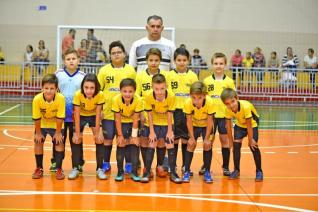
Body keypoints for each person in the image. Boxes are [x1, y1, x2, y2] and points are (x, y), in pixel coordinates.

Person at [97, 41, 136, 174]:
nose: (116, 55)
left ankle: (129, 164)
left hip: (127, 114)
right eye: (113, 53)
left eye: (119, 52)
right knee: (108, 140)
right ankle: (106, 163)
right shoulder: (103, 71)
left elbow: (134, 91)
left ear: (124, 54)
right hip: (108, 113)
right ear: (110, 56)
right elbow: (98, 91)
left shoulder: (130, 70)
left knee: (126, 140)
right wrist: (100, 109)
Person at [140, 74, 181, 184]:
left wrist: (169, 131)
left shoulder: (171, 96)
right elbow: (149, 115)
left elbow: (169, 115)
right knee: (152, 142)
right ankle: (147, 172)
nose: (159, 92)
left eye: (162, 88)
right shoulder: (148, 96)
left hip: (167, 122)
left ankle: (173, 172)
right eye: (156, 89)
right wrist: (152, 132)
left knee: (169, 143)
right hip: (153, 123)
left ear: (166, 86)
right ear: (152, 87)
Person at [135, 48, 169, 175]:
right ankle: (146, 168)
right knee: (144, 141)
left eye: (156, 60)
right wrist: (140, 114)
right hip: (145, 115)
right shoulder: (140, 76)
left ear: (160, 61)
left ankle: (160, 166)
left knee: (161, 141)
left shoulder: (166, 76)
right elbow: (137, 96)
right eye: (151, 60)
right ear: (146, 61)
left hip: (161, 115)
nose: (153, 63)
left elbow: (168, 95)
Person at [203, 52, 235, 176]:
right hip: (210, 117)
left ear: (225, 65)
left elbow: (233, 101)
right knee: (209, 141)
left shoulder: (229, 82)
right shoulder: (206, 81)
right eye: (216, 63)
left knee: (224, 141)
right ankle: (206, 166)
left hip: (224, 117)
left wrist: (232, 116)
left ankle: (226, 166)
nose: (218, 66)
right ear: (212, 65)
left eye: (221, 63)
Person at [221, 88, 263, 181]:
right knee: (236, 146)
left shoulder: (246, 107)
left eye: (232, 101)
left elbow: (249, 125)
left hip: (252, 124)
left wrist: (250, 139)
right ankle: (236, 170)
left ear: (237, 98)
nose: (231, 105)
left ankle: (259, 171)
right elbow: (228, 127)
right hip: (240, 124)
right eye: (227, 103)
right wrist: (231, 142)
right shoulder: (227, 110)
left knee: (253, 146)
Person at [69, 73, 106, 180]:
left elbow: (99, 113)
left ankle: (99, 168)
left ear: (96, 88)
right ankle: (75, 168)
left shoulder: (100, 94)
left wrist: (98, 131)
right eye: (86, 87)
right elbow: (76, 113)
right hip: (81, 116)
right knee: (76, 140)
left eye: (92, 88)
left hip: (94, 115)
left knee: (99, 140)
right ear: (82, 87)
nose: (89, 91)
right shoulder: (78, 95)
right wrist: (76, 133)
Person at [167, 47, 198, 175]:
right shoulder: (169, 75)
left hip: (187, 113)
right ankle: (172, 166)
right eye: (179, 60)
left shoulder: (192, 76)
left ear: (188, 61)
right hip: (174, 112)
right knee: (173, 139)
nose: (181, 62)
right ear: (174, 61)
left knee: (186, 139)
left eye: (184, 60)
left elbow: (196, 94)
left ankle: (186, 166)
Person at [55, 48, 85, 173]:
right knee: (58, 139)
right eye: (68, 59)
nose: (71, 61)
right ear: (64, 61)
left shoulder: (83, 76)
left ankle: (78, 164)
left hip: (76, 115)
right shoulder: (58, 74)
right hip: (60, 115)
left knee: (76, 140)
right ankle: (56, 162)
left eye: (73, 59)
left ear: (78, 60)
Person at [31, 74, 66, 180]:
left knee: (59, 142)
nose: (49, 91)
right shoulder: (37, 99)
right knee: (38, 141)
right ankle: (39, 168)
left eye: (52, 88)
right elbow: (36, 117)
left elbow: (60, 117)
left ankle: (59, 168)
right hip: (42, 124)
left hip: (57, 125)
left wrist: (58, 132)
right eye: (46, 88)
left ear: (56, 89)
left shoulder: (61, 98)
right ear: (42, 88)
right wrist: (37, 133)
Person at [182, 82, 215, 183]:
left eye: (199, 98)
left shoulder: (210, 102)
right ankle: (186, 171)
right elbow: (188, 121)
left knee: (207, 145)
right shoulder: (188, 103)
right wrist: (191, 137)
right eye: (193, 97)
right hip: (194, 125)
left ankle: (207, 171)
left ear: (204, 95)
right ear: (190, 96)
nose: (196, 101)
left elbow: (210, 121)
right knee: (190, 144)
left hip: (206, 125)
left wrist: (206, 138)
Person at [112, 78, 143, 182]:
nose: (127, 94)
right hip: (121, 123)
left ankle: (134, 172)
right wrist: (120, 135)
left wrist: (134, 136)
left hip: (133, 123)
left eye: (130, 91)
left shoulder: (138, 100)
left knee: (134, 146)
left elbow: (135, 119)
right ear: (120, 91)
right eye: (125, 91)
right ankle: (120, 172)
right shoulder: (116, 100)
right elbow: (117, 118)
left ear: (134, 91)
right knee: (121, 145)